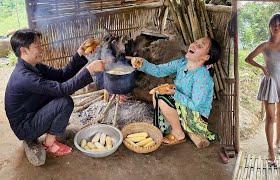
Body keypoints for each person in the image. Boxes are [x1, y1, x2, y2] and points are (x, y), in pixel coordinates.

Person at [5, 29, 107, 164]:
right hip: (25, 126)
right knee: (64, 102)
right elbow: (62, 89)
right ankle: (49, 143)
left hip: (32, 112)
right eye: (37, 46)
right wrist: (89, 70)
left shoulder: (34, 66)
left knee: (59, 97)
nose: (42, 49)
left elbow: (62, 75)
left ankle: (51, 129)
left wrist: (80, 53)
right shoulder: (24, 77)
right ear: (24, 51)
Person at [127, 37, 221, 147]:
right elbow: (159, 70)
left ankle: (179, 134)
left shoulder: (202, 77)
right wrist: (142, 64)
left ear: (206, 57)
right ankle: (169, 127)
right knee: (157, 93)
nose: (194, 45)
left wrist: (175, 93)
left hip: (197, 118)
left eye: (200, 46)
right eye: (195, 42)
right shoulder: (182, 63)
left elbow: (196, 105)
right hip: (183, 107)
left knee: (162, 99)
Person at [245, 13, 280, 166]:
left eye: (279, 24)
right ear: (269, 27)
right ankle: (270, 151)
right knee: (270, 117)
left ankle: (278, 140)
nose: (276, 27)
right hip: (270, 83)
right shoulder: (265, 45)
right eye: (274, 24)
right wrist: (261, 67)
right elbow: (248, 58)